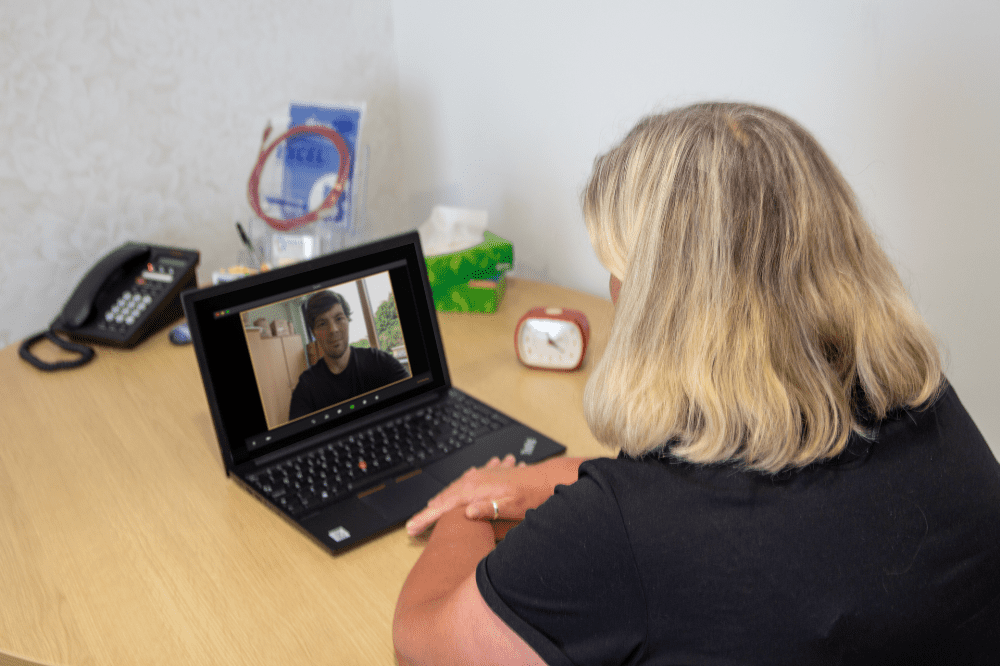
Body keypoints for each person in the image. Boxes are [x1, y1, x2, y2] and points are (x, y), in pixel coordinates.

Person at [392, 102, 1000, 665]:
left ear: (662, 300)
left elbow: (427, 641)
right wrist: (563, 479)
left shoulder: (623, 533)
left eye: (619, 270)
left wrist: (470, 507)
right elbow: (757, 486)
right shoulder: (935, 416)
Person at [288, 290, 408, 420]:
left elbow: (415, 400)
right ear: (314, 333)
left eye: (339, 318)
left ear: (348, 320)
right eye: (322, 323)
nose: (333, 330)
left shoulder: (381, 361)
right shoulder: (306, 386)